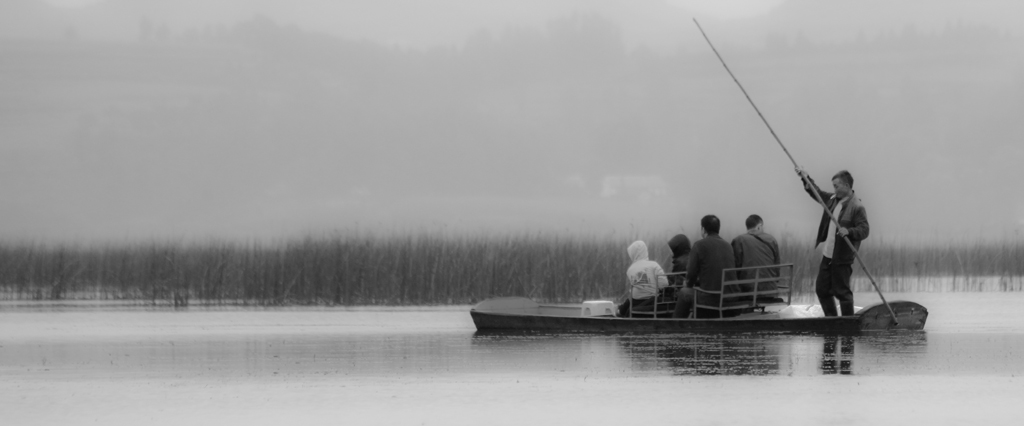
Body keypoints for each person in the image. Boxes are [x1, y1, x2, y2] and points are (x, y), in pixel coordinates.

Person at [796, 168, 869, 317]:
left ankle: (848, 324)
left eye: (836, 186)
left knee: (842, 292)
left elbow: (864, 230)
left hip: (842, 257)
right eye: (833, 186)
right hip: (827, 255)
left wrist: (849, 232)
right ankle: (832, 320)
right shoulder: (832, 200)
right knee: (822, 290)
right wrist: (805, 178)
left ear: (847, 186)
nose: (834, 189)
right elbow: (817, 193)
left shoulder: (857, 206)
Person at [672, 215, 737, 319]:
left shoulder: (699, 245)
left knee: (685, 292)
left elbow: (691, 274)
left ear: (703, 229)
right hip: (729, 296)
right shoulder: (728, 245)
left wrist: (688, 283)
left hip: (712, 297)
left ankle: (675, 325)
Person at [617, 240, 669, 317]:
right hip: (652, 302)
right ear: (645, 251)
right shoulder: (654, 265)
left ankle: (619, 311)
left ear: (633, 254)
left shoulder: (630, 270)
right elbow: (664, 285)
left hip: (635, 302)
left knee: (629, 299)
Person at [731, 214, 781, 293]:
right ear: (759, 226)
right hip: (770, 289)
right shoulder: (771, 240)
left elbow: (735, 266)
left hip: (747, 290)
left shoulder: (739, 240)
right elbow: (777, 266)